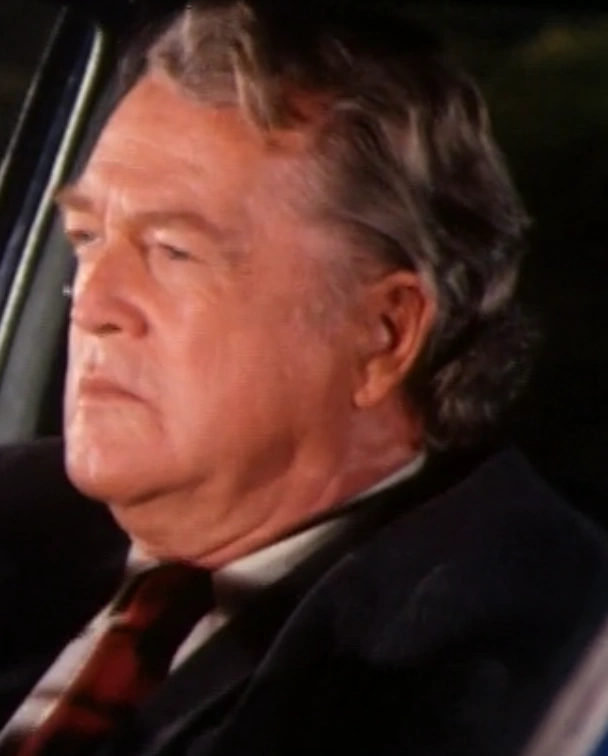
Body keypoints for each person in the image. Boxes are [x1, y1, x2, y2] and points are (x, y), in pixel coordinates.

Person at [0, 1, 606, 754]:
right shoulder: (19, 508)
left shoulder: (511, 649)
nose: (91, 305)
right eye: (87, 237)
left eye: (173, 252)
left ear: (382, 333)